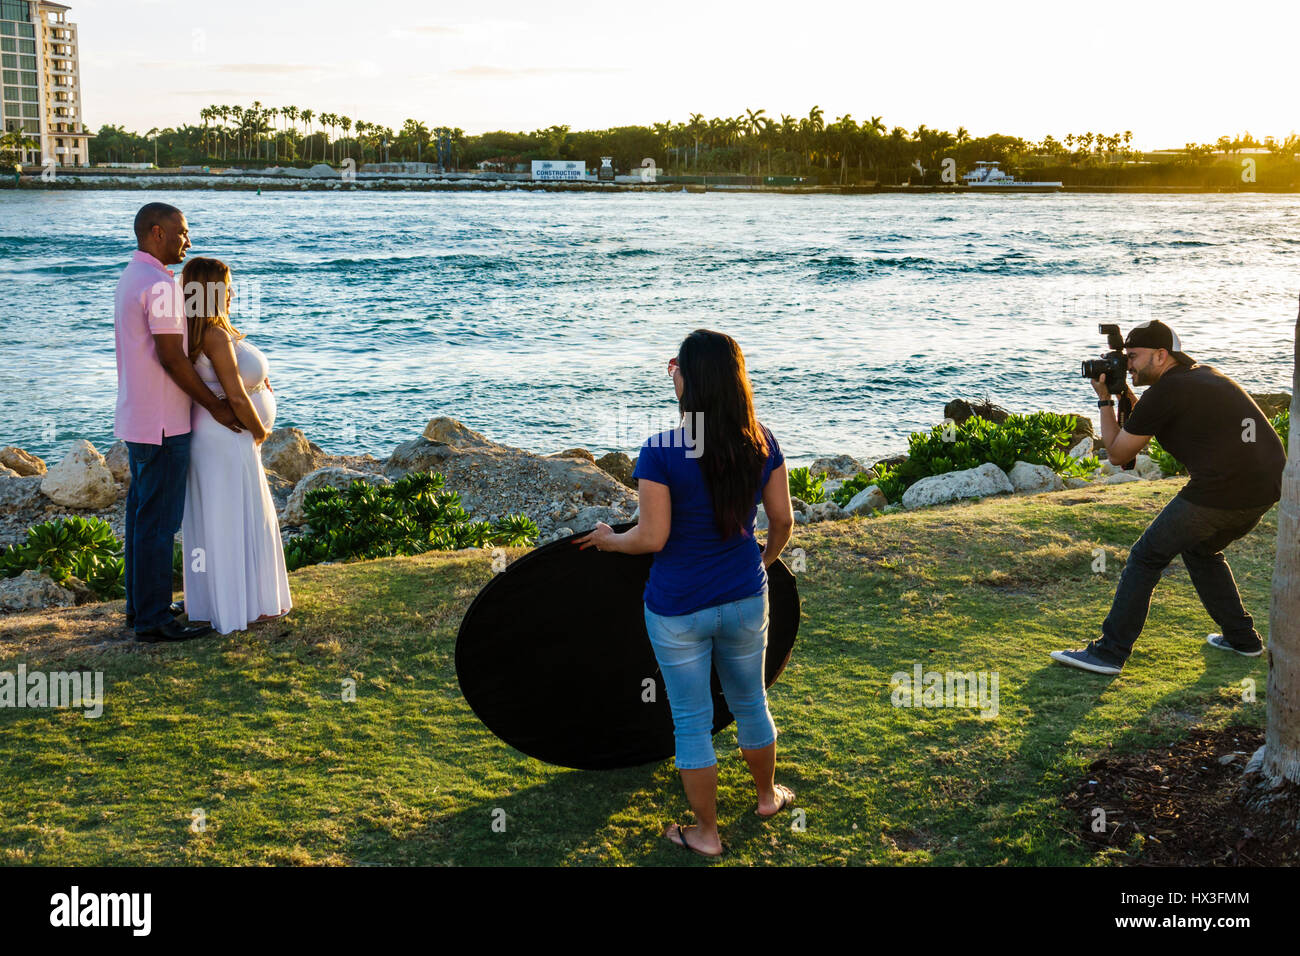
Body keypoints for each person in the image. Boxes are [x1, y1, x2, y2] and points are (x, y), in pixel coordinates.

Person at [575, 329, 796, 858]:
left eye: (679, 367)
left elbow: (652, 537)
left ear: (688, 380)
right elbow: (783, 521)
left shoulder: (661, 451)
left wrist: (609, 541)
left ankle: (706, 834)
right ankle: (767, 798)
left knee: (691, 721)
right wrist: (758, 563)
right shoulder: (761, 440)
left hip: (678, 609)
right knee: (750, 702)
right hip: (745, 597)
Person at [1052, 320, 1286, 675]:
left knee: (1146, 557)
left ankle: (1109, 653)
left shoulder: (1167, 392)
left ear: (1161, 356)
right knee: (1200, 549)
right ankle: (1242, 638)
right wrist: (1121, 396)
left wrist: (1102, 399)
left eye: (1133, 357)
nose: (1127, 365)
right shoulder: (1199, 376)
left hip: (1222, 489)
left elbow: (1117, 455)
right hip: (1267, 487)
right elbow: (1135, 435)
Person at [115, 202, 242, 643]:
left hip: (139, 418)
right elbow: (171, 357)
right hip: (165, 424)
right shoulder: (161, 287)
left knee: (140, 517)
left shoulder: (134, 277)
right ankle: (153, 621)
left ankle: (139, 607)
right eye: (181, 233)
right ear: (156, 233)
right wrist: (217, 406)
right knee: (158, 523)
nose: (188, 241)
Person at [179, 256, 292, 634]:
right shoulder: (213, 334)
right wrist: (259, 432)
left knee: (228, 514)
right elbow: (236, 397)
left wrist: (262, 384)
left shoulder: (207, 330)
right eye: (227, 284)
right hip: (228, 436)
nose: (233, 291)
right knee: (233, 516)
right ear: (212, 290)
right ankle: (240, 607)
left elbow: (239, 385)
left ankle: (232, 602)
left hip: (221, 435)